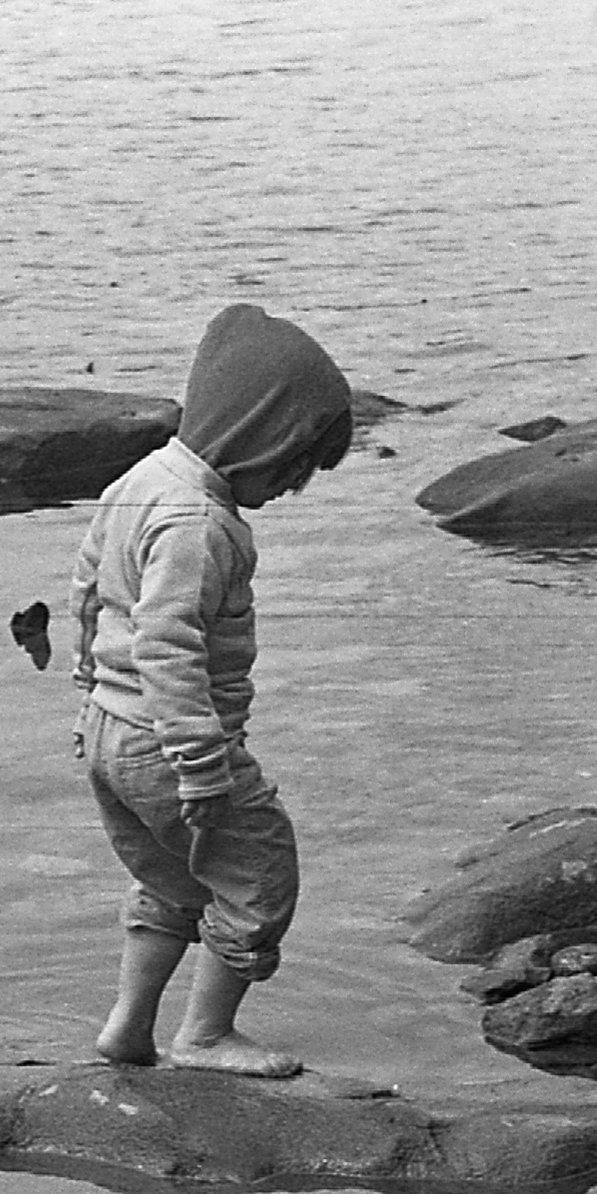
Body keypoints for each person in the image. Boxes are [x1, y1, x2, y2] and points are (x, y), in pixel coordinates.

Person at [68, 304, 352, 1077]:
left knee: (168, 877)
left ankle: (128, 1027)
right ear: (252, 432)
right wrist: (200, 767)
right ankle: (205, 1033)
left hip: (108, 729)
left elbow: (87, 589)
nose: (290, 487)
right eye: (289, 465)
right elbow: (168, 646)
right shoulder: (199, 523)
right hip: (169, 742)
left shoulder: (140, 479)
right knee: (259, 872)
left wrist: (87, 688)